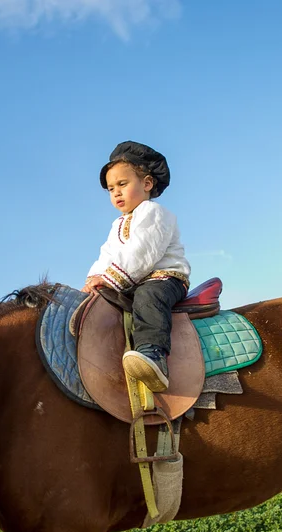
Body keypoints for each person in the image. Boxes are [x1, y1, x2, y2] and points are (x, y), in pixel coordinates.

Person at [81, 141, 191, 393]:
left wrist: (110, 279)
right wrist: (94, 280)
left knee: (148, 297)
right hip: (131, 278)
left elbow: (142, 251)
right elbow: (106, 255)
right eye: (110, 189)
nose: (116, 193)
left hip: (163, 278)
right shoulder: (117, 225)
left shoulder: (153, 212)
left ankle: (153, 356)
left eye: (122, 184)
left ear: (147, 184)